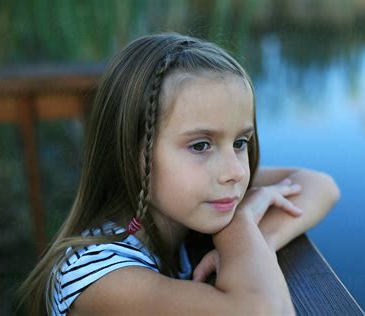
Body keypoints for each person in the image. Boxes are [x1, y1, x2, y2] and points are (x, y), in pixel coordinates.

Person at [17, 33, 340, 316]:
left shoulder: (185, 201)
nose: (236, 171)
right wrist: (241, 226)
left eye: (240, 142)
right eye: (200, 146)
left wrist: (261, 241)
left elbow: (320, 185)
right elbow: (262, 311)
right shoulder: (97, 277)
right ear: (132, 153)